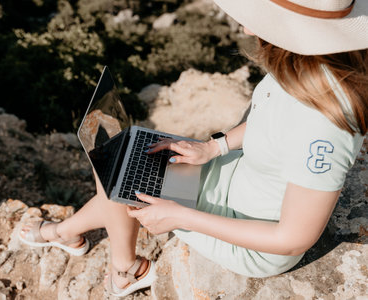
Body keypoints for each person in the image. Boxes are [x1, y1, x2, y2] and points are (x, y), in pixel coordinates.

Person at [19, 0, 368, 297]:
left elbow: (292, 239)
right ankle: (69, 234)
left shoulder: (324, 126)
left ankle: (122, 269)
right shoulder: (301, 65)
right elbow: (270, 118)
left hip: (250, 237)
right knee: (125, 160)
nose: (248, 30)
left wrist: (180, 217)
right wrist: (213, 148)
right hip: (236, 176)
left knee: (118, 173)